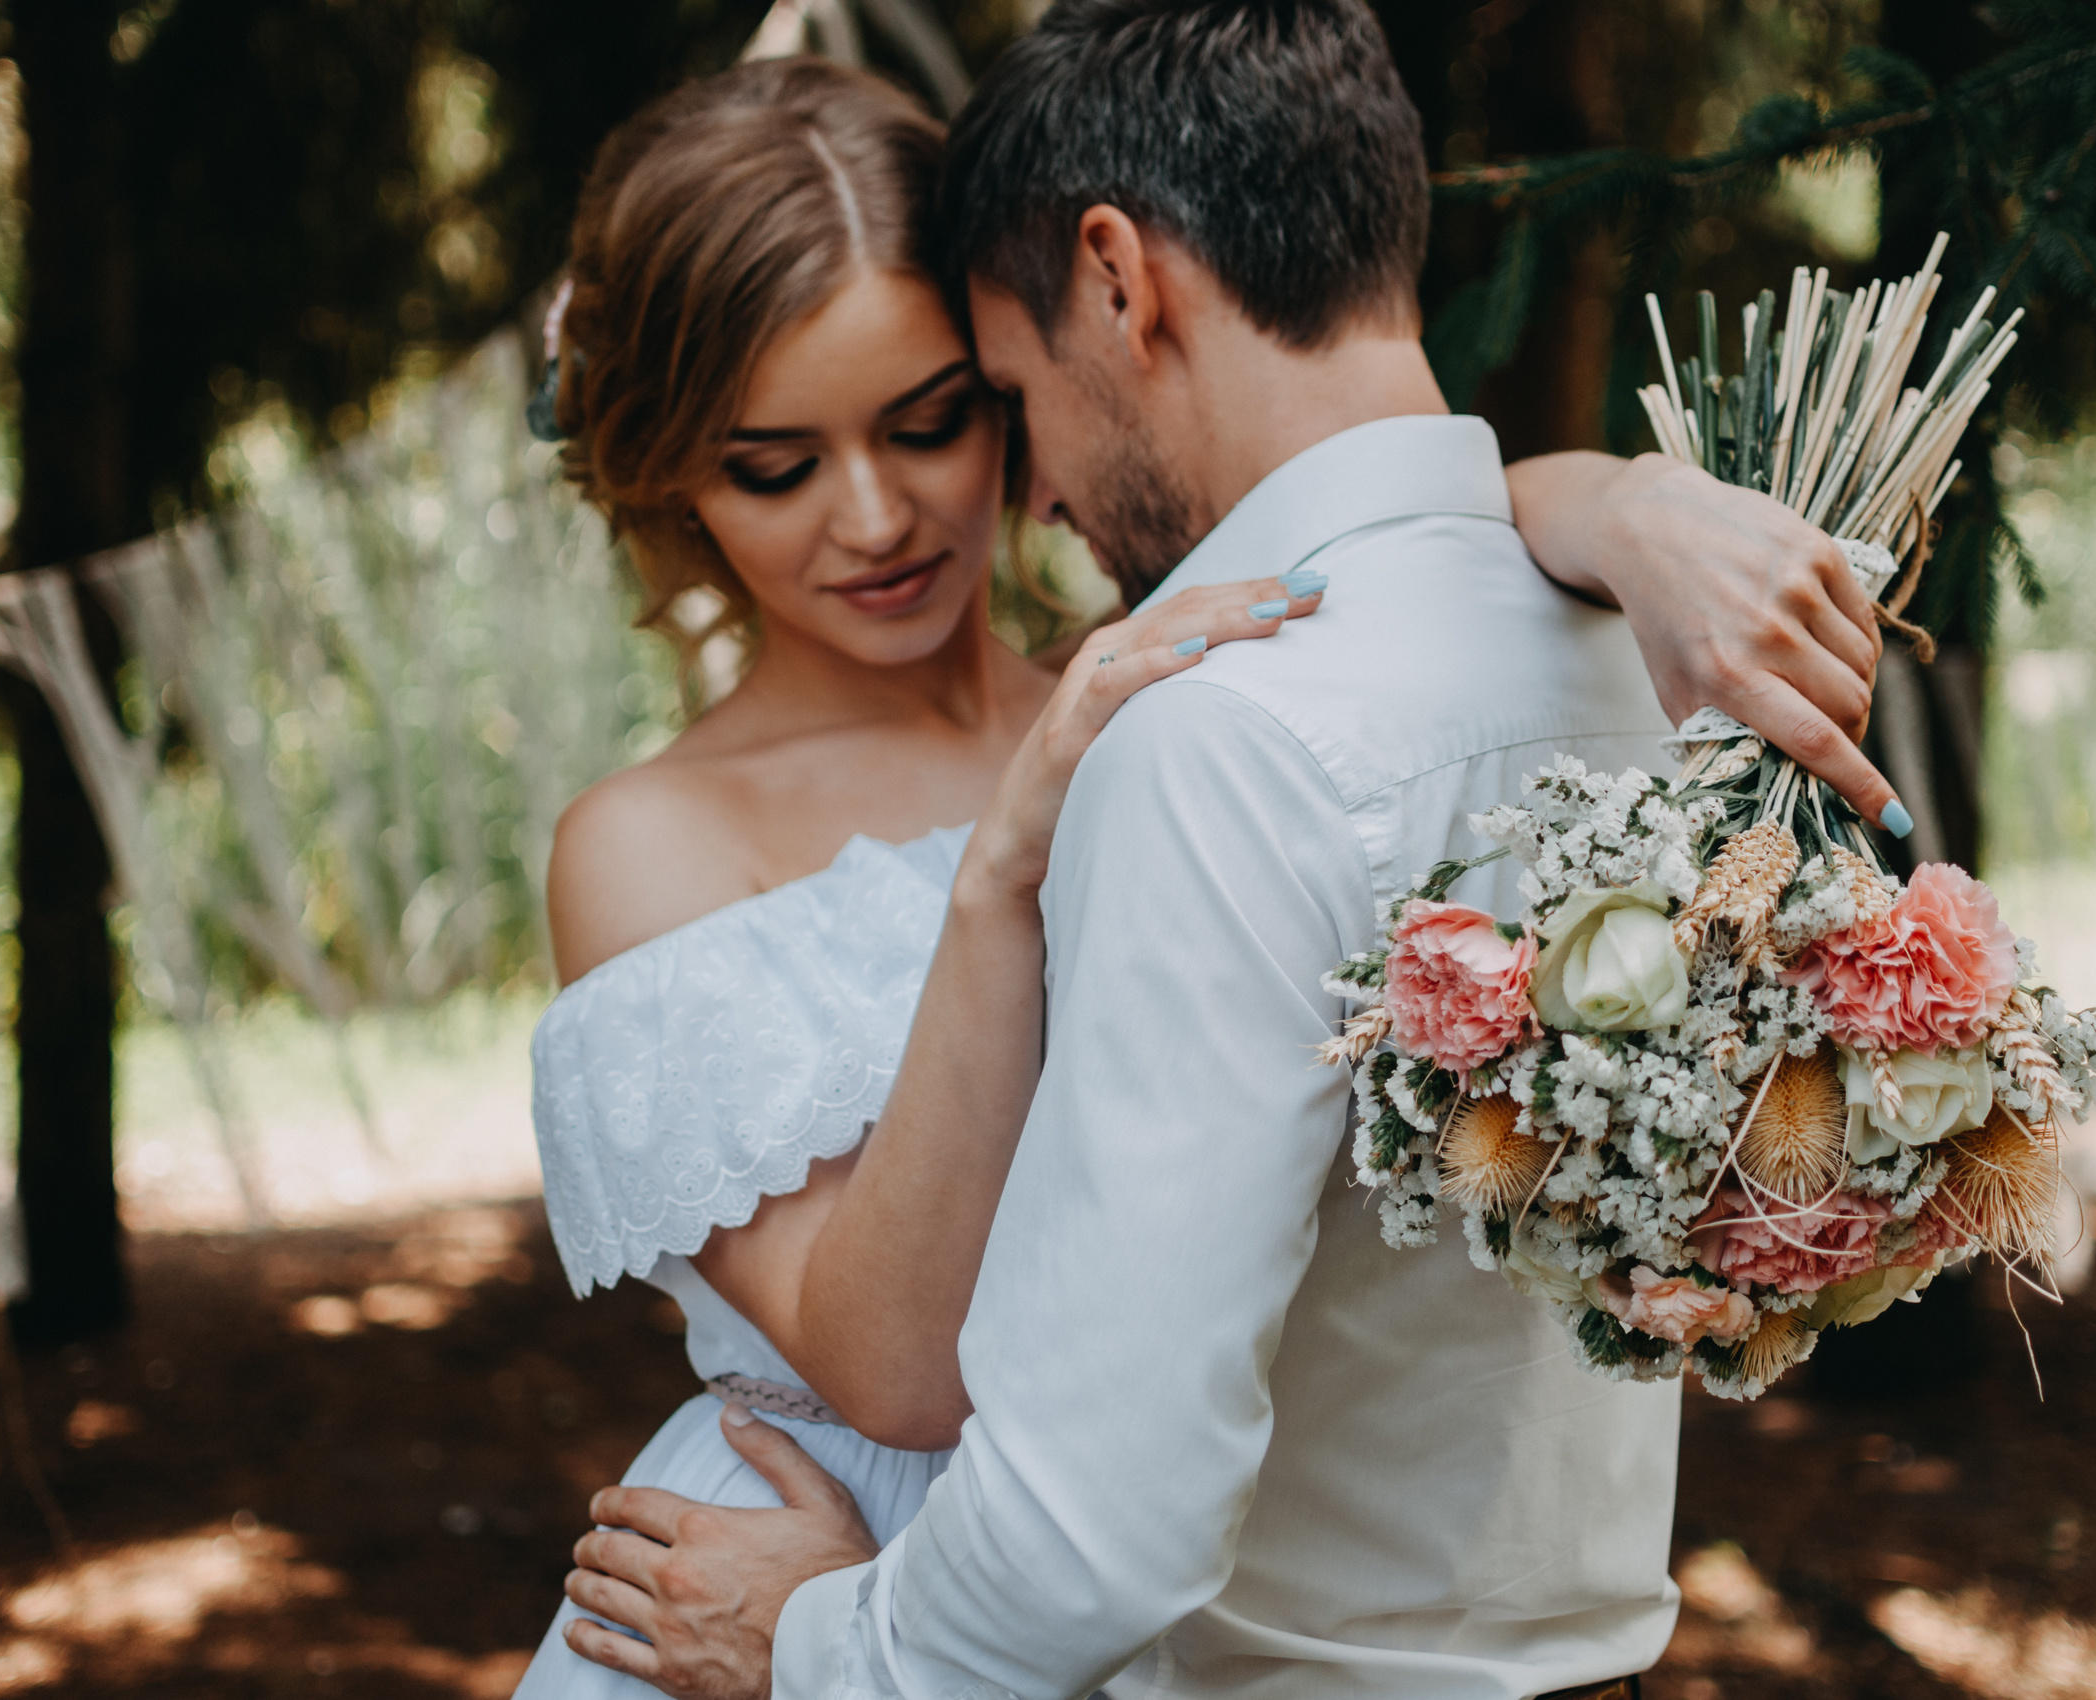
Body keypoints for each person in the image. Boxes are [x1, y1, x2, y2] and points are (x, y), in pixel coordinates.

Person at [519, 25, 1898, 1700]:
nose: (874, 518)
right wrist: (992, 891)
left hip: (1092, 1602)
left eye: (941, 419)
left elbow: (1369, 545)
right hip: (832, 1576)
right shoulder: (652, 838)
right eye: (775, 463)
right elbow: (891, 1368)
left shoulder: (1168, 680)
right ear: (670, 471)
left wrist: (1609, 506)